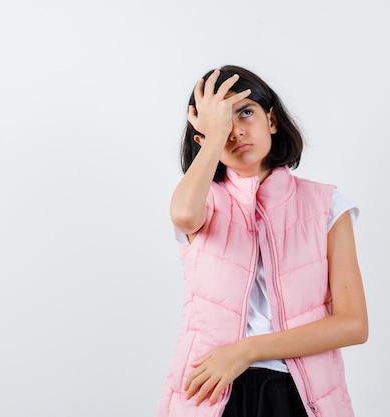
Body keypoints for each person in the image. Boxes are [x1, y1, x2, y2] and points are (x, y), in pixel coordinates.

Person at [156, 65, 368, 417]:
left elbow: (353, 324)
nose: (236, 131)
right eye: (223, 123)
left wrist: (246, 350)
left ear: (272, 120)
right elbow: (182, 215)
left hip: (298, 393)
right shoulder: (202, 201)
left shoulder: (326, 205)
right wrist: (213, 137)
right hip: (211, 391)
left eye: (246, 112)